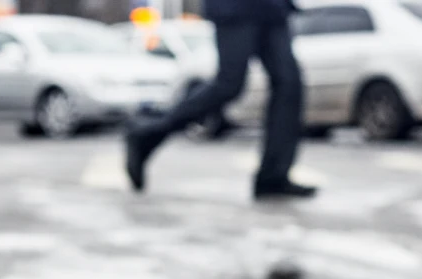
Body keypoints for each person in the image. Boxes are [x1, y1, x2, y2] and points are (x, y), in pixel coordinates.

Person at [123, 0, 315, 200]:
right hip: (235, 7)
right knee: (229, 84)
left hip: (272, 7)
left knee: (289, 84)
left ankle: (273, 176)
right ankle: (147, 132)